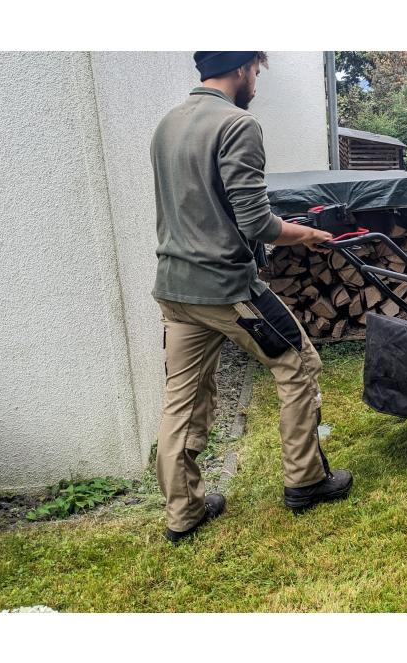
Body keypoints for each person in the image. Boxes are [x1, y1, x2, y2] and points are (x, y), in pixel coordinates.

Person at [150, 51, 353, 543]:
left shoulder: (167, 124)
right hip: (226, 288)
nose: (257, 81)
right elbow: (256, 222)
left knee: (183, 399)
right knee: (299, 364)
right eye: (257, 71)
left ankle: (185, 513)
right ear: (242, 68)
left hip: (175, 289)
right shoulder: (237, 125)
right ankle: (305, 481)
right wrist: (303, 235)